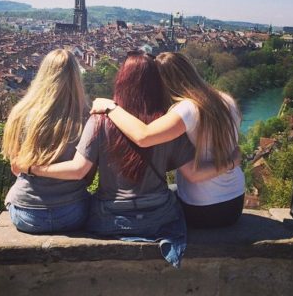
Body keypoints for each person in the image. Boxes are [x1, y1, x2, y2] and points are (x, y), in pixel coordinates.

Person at [12, 52, 233, 266]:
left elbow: (81, 171)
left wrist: (31, 167)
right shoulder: (166, 125)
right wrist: (232, 161)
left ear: (122, 82)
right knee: (175, 191)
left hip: (109, 219)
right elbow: (192, 173)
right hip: (158, 218)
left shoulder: (99, 122)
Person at [91, 52, 245, 229]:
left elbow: (144, 136)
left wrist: (111, 107)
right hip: (235, 201)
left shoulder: (188, 109)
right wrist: (231, 162)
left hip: (203, 208)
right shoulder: (225, 99)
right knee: (170, 190)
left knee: (159, 200)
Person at [2, 49, 91, 234]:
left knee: (12, 194)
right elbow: (87, 176)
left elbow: (16, 167)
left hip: (26, 215)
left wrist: (34, 169)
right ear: (75, 77)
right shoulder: (87, 118)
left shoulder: (20, 112)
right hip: (72, 213)